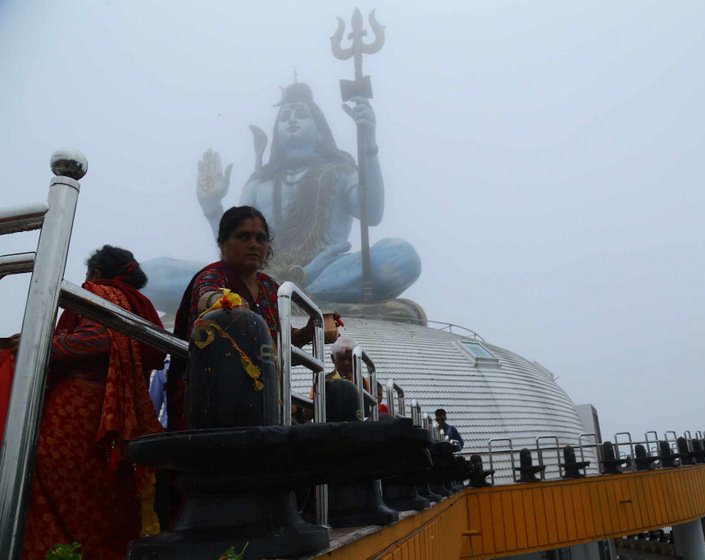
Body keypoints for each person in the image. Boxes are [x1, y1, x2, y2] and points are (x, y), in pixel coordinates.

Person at [193, 82, 420, 303]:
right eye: (285, 116)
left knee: (401, 257)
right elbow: (233, 251)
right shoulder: (259, 183)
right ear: (277, 135)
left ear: (320, 131)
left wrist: (369, 142)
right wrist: (212, 208)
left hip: (325, 271)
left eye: (301, 114)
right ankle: (283, 289)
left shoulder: (339, 172)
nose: (292, 119)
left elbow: (372, 213)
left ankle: (284, 292)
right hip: (262, 273)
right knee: (159, 272)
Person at [21, 246, 166, 560]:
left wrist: (37, 340)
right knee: (105, 498)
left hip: (78, 410)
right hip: (118, 413)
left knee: (54, 492)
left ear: (97, 273)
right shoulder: (139, 303)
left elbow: (96, 338)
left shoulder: (95, 291)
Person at [168, 205, 313, 431]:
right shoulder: (213, 275)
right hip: (212, 395)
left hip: (261, 398)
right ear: (223, 244)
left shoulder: (270, 288)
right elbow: (205, 297)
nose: (254, 244)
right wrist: (222, 301)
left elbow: (281, 343)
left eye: (260, 238)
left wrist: (309, 331)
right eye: (243, 236)